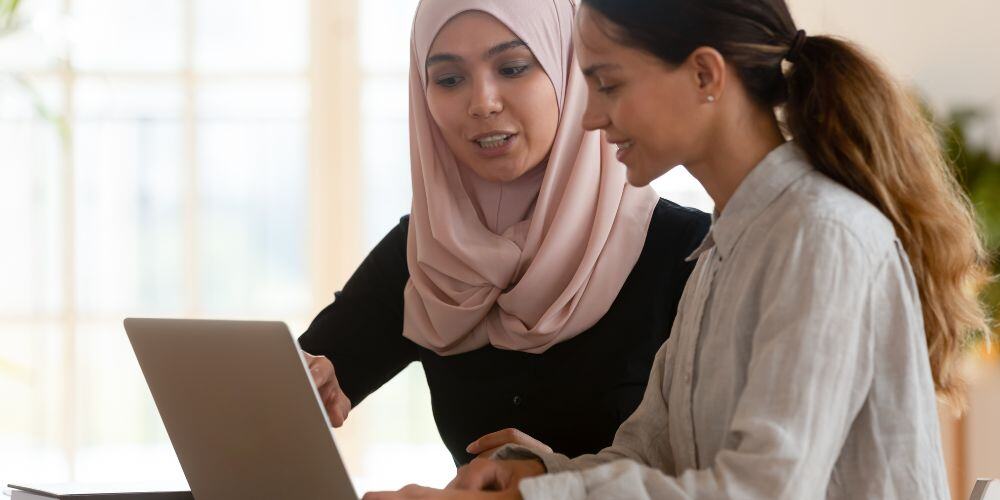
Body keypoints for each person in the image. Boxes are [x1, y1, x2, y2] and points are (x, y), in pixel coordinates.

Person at [365, 0, 992, 498]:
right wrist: (539, 474)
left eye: (607, 84)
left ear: (703, 74)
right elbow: (651, 450)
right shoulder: (724, 247)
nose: (589, 118)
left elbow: (764, 490)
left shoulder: (820, 236)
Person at [298, 0, 709, 467]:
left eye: (513, 68)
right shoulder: (427, 252)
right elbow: (304, 375)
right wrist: (312, 382)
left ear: (570, 72)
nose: (482, 103)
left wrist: (559, 480)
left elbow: (724, 475)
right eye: (449, 79)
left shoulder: (687, 251)